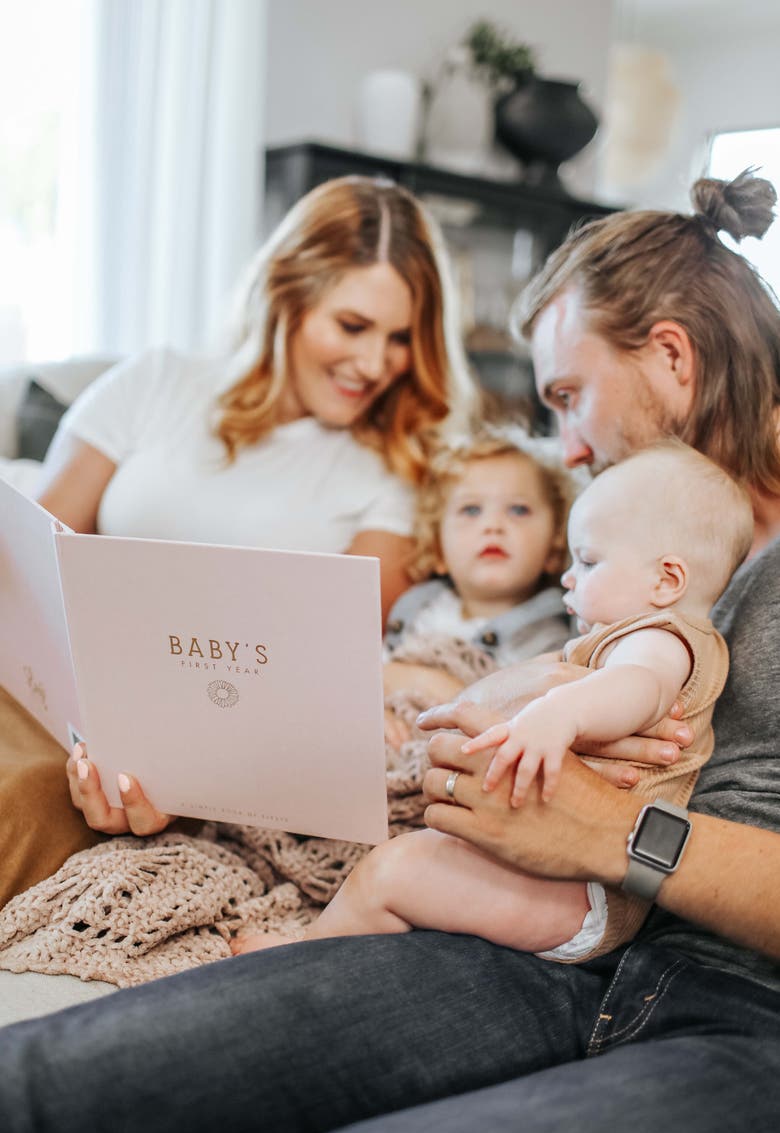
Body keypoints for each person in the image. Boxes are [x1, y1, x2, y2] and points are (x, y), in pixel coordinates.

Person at [1, 170, 779, 1133]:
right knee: (30, 1094)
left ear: (671, 355)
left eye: (567, 396)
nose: (568, 449)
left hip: (731, 1003)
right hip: (520, 942)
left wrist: (619, 834)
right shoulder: (633, 545)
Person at [0, 173, 481, 889]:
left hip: (201, 749)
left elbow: (322, 663)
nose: (374, 363)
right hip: (58, 697)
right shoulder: (157, 381)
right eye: (352, 326)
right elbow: (35, 560)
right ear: (287, 295)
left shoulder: (398, 468)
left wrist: (162, 753)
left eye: (401, 338)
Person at [234, 443, 751, 961]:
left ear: (666, 580)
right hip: (560, 871)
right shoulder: (634, 637)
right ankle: (344, 946)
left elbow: (640, 687)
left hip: (581, 891)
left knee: (390, 872)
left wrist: (557, 714)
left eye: (589, 561)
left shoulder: (662, 639)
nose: (569, 577)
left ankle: (299, 957)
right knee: (405, 867)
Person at [380, 428, 573, 747]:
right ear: (438, 549)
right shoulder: (414, 611)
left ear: (554, 547)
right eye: (471, 510)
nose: (493, 525)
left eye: (518, 509)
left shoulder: (552, 643)